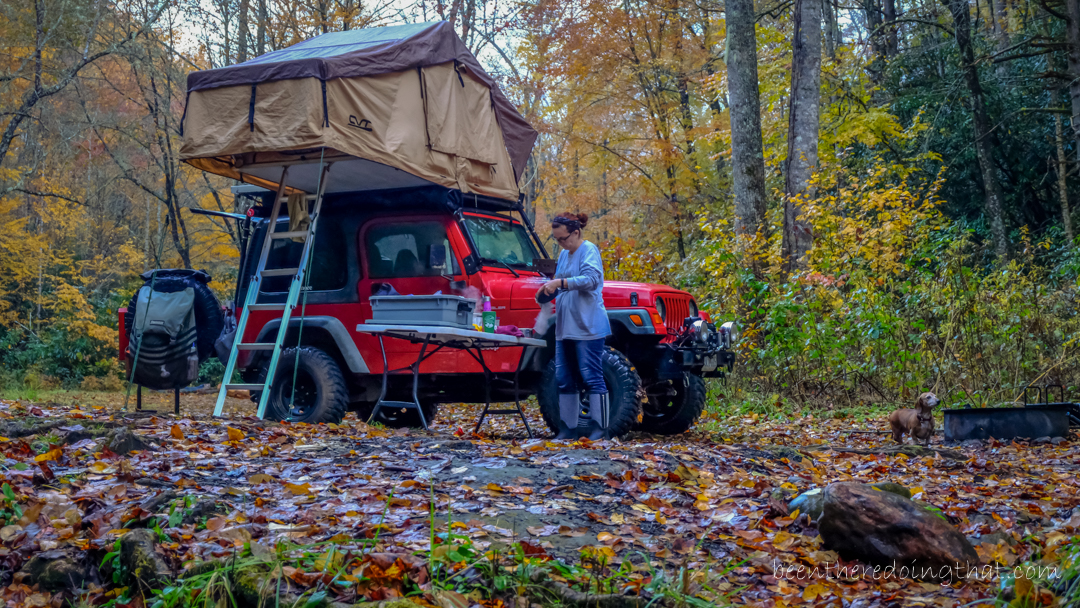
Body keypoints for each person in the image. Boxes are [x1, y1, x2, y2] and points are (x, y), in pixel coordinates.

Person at [537, 212, 611, 440]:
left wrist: (561, 282)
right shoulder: (564, 254)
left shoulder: (588, 250)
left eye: (563, 238)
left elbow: (592, 280)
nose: (560, 243)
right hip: (565, 327)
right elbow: (560, 284)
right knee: (563, 377)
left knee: (591, 376)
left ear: (576, 233)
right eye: (556, 239)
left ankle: (601, 429)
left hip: (588, 326)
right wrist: (547, 290)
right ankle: (567, 428)